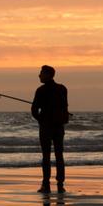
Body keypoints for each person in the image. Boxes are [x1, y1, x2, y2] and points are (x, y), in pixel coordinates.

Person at [31, 65, 69, 194]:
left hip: (46, 127)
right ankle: (60, 184)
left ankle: (46, 185)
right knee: (59, 155)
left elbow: (34, 110)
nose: (39, 75)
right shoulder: (62, 89)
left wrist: (41, 119)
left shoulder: (41, 90)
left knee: (46, 156)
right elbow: (65, 108)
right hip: (59, 126)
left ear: (48, 74)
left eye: (41, 73)